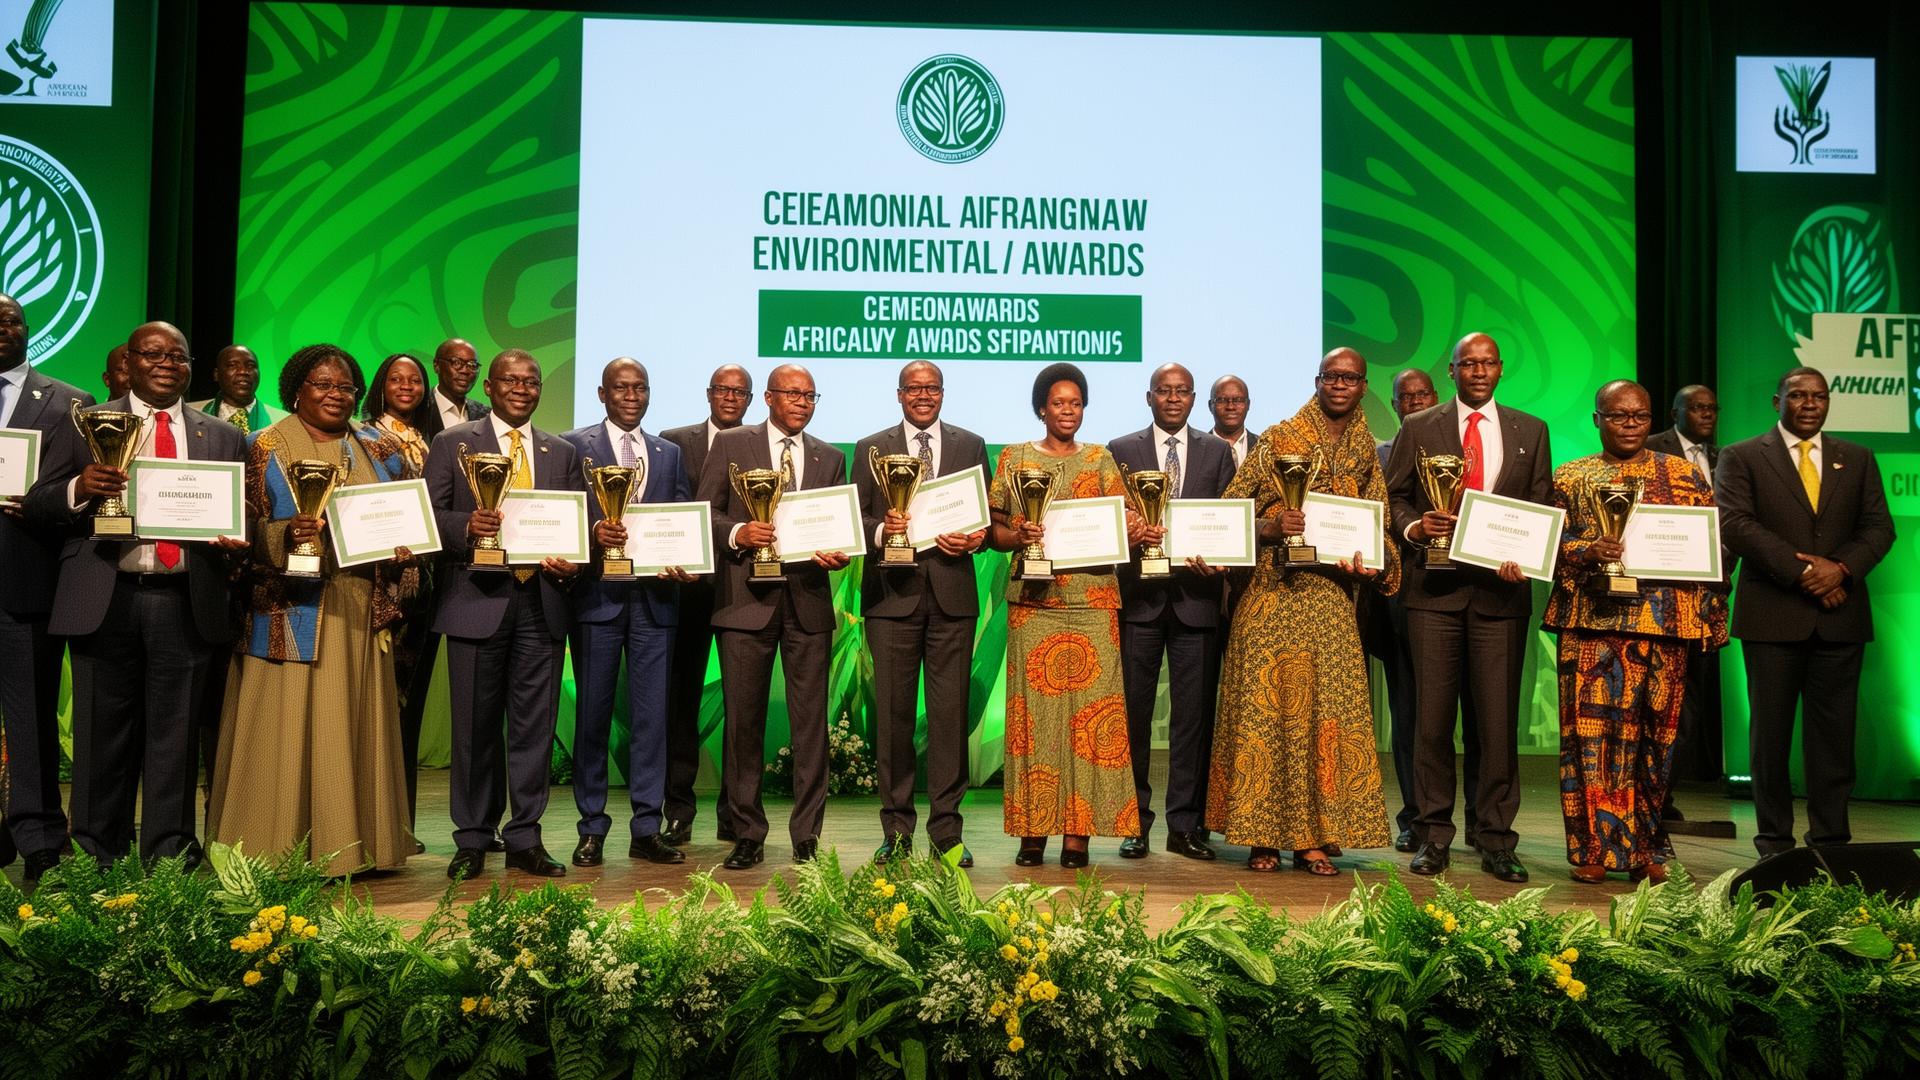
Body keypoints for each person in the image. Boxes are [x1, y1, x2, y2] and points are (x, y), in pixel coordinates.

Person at [23, 322, 248, 867]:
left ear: (190, 366)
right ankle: (96, 853)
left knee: (175, 736)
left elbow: (238, 510)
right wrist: (80, 487)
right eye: (153, 354)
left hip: (185, 596)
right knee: (101, 735)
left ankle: (168, 854)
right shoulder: (84, 421)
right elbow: (38, 501)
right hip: (106, 594)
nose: (167, 363)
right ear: (129, 362)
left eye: (178, 356)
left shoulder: (222, 435)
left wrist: (234, 537)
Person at [207, 344, 418, 874]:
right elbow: (237, 530)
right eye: (322, 385)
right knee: (284, 732)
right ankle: (270, 846)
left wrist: (406, 552)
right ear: (296, 390)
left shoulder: (381, 447)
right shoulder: (261, 446)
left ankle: (357, 848)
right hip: (287, 610)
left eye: (345, 387)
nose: (335, 395)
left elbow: (408, 518)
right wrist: (284, 536)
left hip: (359, 610)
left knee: (352, 731)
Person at [1205, 348, 1398, 874]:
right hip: (1272, 595)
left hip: (1330, 602)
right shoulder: (1278, 438)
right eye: (1331, 376)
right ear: (1317, 381)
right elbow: (1230, 509)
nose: (1340, 384)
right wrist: (1269, 528)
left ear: (1363, 386)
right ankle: (1260, 836)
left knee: (1323, 719)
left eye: (1350, 377)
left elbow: (1380, 528)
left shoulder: (1365, 451)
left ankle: (1313, 837)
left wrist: (1372, 561)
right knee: (1266, 715)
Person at [1384, 331, 1551, 883]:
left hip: (1501, 597)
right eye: (1468, 364)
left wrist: (1526, 555)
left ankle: (1495, 837)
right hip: (1433, 595)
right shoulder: (1419, 426)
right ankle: (1433, 834)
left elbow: (1540, 504)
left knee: (1496, 726)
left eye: (1488, 363)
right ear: (1452, 372)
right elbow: (1394, 496)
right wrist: (1414, 526)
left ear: (1500, 369)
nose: (1479, 372)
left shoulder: (1531, 429)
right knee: (1431, 724)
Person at [1544, 381, 1727, 883]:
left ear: (1652, 419)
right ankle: (1593, 850)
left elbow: (1711, 548)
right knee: (1591, 742)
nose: (1630, 424)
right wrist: (1587, 550)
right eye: (1618, 415)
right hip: (1592, 625)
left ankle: (1646, 848)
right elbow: (1550, 542)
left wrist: (1712, 616)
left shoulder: (1684, 475)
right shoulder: (1571, 476)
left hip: (1666, 624)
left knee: (1657, 742)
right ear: (1597, 419)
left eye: (1640, 416)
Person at [1717, 366, 1893, 856]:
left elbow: (1879, 528)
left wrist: (1841, 570)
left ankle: (1831, 842)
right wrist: (1806, 574)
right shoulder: (1742, 456)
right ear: (1778, 402)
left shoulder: (1856, 458)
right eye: (1798, 395)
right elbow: (1735, 524)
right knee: (1769, 739)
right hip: (1772, 618)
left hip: (1840, 618)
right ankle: (1774, 842)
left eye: (1819, 396)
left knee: (1834, 741)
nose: (1810, 404)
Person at [426, 348, 582, 879]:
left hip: (542, 602)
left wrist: (572, 561)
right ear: (488, 388)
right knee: (474, 730)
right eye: (510, 380)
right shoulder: (453, 443)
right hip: (477, 601)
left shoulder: (561, 451)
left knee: (534, 730)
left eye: (531, 381)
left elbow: (574, 525)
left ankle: (525, 838)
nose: (521, 388)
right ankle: (472, 838)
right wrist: (465, 526)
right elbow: (431, 516)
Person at [988, 363, 1145, 868]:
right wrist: (1020, 536)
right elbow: (993, 530)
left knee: (1092, 722)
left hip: (1093, 603)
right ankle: (1033, 831)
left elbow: (1125, 520)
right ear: (1042, 408)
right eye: (1058, 403)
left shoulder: (1101, 459)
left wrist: (1137, 529)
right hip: (1035, 604)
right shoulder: (1015, 458)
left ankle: (1078, 835)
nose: (1067, 411)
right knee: (1035, 724)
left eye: (1075, 403)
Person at [698, 363, 848, 869]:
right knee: (743, 725)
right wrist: (738, 533)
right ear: (767, 397)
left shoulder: (830, 456)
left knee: (811, 727)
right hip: (745, 604)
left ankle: (807, 835)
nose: (802, 403)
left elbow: (836, 525)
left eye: (810, 396)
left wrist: (837, 552)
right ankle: (747, 833)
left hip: (807, 604)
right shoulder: (732, 444)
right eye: (793, 394)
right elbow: (706, 512)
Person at [854, 361, 991, 867]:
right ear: (899, 395)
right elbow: (857, 517)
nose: (923, 395)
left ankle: (947, 833)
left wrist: (975, 539)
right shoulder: (871, 447)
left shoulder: (970, 445)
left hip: (952, 599)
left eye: (931, 387)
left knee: (949, 719)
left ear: (943, 393)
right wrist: (882, 530)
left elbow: (986, 521)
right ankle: (896, 831)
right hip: (892, 598)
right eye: (913, 388)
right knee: (892, 719)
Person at [562, 358, 690, 867]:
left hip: (654, 604)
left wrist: (683, 558)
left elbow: (680, 515)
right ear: (602, 393)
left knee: (651, 722)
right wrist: (594, 532)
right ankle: (592, 828)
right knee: (592, 719)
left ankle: (646, 827)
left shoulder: (668, 452)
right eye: (621, 388)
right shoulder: (574, 446)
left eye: (640, 388)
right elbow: (563, 514)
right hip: (596, 599)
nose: (631, 396)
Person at [1107, 362, 1234, 861]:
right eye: (1164, 390)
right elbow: (1110, 522)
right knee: (1133, 718)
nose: (1173, 398)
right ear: (1149, 397)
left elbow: (1229, 518)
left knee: (1192, 722)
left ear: (1194, 398)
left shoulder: (1217, 452)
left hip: (1197, 602)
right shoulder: (1120, 449)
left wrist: (1221, 557)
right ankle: (1134, 822)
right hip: (1139, 600)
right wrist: (1129, 531)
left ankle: (1185, 825)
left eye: (1182, 391)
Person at [0, 293, 95, 884]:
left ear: (27, 329)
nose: (1, 328)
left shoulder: (70, 403)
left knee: (30, 718)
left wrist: (38, 503)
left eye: (10, 320)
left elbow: (82, 497)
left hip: (26, 581)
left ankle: (38, 839)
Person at [1366, 367, 1471, 853]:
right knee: (1411, 713)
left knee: (1476, 716)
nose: (1413, 402)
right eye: (1403, 397)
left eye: (1421, 394)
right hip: (1404, 601)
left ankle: (1480, 823)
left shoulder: (1472, 454)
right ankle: (1415, 817)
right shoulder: (1378, 456)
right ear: (1394, 405)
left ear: (1436, 396)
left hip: (1473, 596)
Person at [659, 364, 754, 844]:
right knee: (681, 703)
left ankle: (734, 812)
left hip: (744, 590)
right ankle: (678, 807)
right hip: (687, 591)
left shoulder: (762, 445)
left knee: (742, 706)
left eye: (740, 392)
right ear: (709, 393)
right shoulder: (674, 442)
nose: (730, 397)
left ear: (752, 400)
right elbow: (664, 510)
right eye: (722, 389)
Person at [1643, 383, 1727, 834]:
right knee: (1651, 702)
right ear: (1674, 412)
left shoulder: (1726, 458)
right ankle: (1647, 796)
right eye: (1696, 408)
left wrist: (1720, 568)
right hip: (1653, 598)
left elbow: (1729, 523)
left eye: (1711, 408)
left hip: (1706, 599)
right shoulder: (1649, 449)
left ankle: (1664, 792)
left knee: (1688, 705)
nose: (1706, 414)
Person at [362, 352, 436, 834]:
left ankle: (401, 823)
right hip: (384, 587)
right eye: (396, 379)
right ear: (381, 386)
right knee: (380, 704)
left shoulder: (436, 440)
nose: (407, 386)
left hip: (427, 587)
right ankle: (375, 818)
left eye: (415, 380)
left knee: (410, 708)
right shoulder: (363, 437)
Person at [189, 345, 284, 434]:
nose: (243, 371)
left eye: (250, 366)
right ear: (216, 374)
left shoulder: (282, 420)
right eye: (232, 365)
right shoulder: (190, 414)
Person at [418, 338, 489, 440]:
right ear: (436, 365)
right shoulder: (418, 410)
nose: (465, 371)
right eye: (456, 363)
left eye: (473, 365)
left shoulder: (486, 415)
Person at [1208, 375, 1254, 469]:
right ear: (1210, 406)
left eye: (1238, 400)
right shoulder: (1196, 450)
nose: (1230, 407)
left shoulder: (1264, 448)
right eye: (1222, 400)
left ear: (1248, 405)